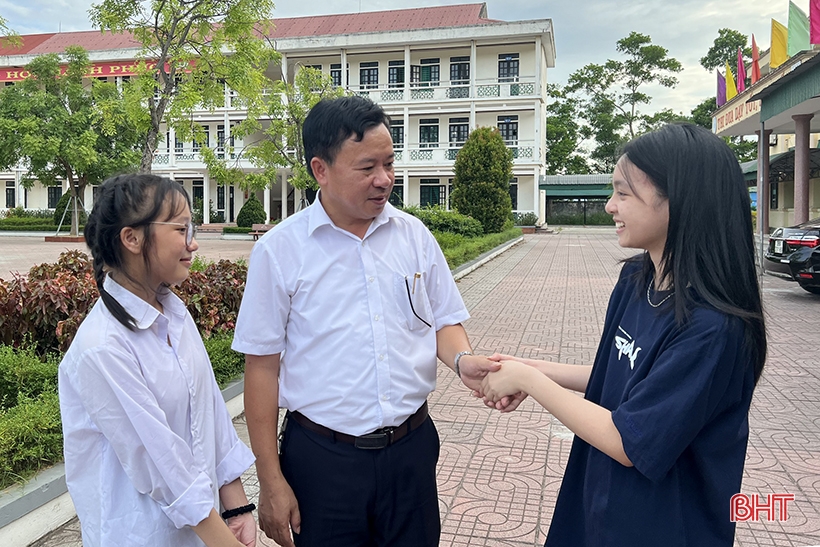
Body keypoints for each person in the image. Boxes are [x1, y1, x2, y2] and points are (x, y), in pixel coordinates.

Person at [232, 95, 520, 547]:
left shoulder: (414, 236)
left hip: (411, 449)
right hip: (323, 462)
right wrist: (270, 481)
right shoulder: (280, 251)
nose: (384, 180)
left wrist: (462, 359)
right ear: (320, 170)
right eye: (367, 168)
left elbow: (443, 320)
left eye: (389, 163)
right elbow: (262, 368)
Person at [481, 123, 767, 546]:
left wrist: (529, 381)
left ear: (680, 199)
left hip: (665, 523)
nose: (610, 205)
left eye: (623, 193)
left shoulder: (713, 328)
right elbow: (619, 373)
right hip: (600, 499)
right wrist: (529, 366)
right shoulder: (637, 278)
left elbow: (629, 442)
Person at [58, 174, 257, 547]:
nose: (193, 242)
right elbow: (161, 463)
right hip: (141, 535)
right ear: (131, 238)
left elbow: (210, 409)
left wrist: (237, 508)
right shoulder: (103, 347)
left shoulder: (173, 314)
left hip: (203, 530)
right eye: (181, 228)